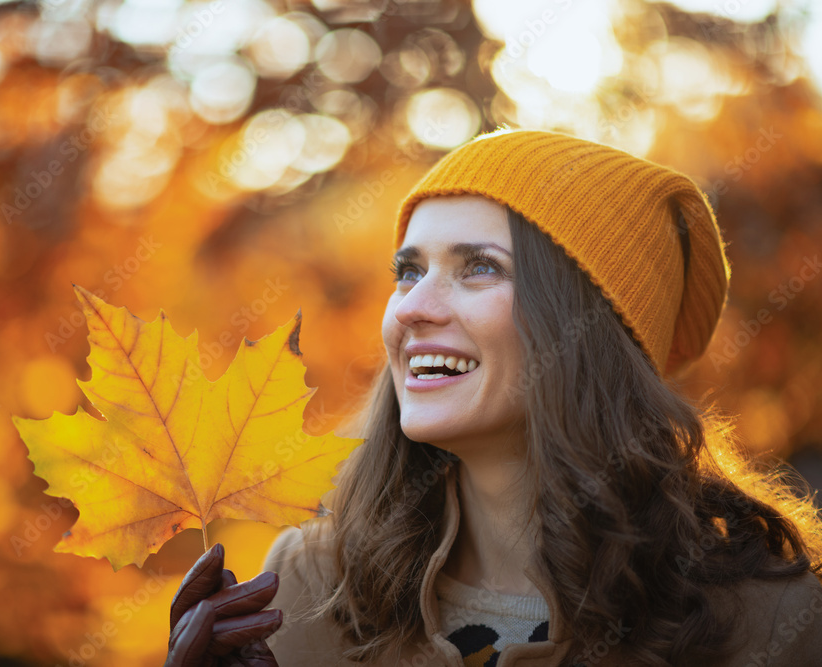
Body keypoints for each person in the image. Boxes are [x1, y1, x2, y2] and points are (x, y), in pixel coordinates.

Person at [164, 129, 822, 667]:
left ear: (586, 329)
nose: (412, 308)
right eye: (409, 271)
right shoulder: (307, 588)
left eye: (478, 266)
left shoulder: (769, 620)